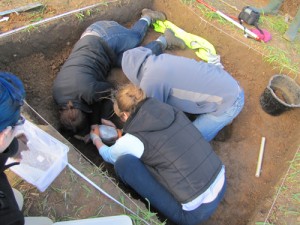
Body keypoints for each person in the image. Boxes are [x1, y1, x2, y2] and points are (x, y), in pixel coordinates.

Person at [90, 83, 226, 225]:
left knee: (124, 164)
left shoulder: (133, 140)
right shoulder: (169, 110)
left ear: (124, 115)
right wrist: (122, 134)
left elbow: (108, 155)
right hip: (220, 179)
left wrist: (96, 138)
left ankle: (138, 199)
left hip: (194, 213)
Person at [52, 8, 166, 134]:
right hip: (91, 43)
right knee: (126, 60)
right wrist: (95, 123)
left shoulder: (89, 91)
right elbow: (93, 99)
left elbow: (109, 89)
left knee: (136, 42)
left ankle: (149, 20)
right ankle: (161, 42)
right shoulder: (58, 96)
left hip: (103, 36)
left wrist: (100, 120)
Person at [121, 29, 244, 142]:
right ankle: (214, 118)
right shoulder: (161, 59)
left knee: (188, 142)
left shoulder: (150, 82)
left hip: (229, 103)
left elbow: (154, 118)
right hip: (228, 83)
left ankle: (220, 122)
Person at [0, 72, 53, 225]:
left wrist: (10, 147)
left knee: (16, 197)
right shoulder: (7, 215)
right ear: (3, 135)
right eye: (17, 122)